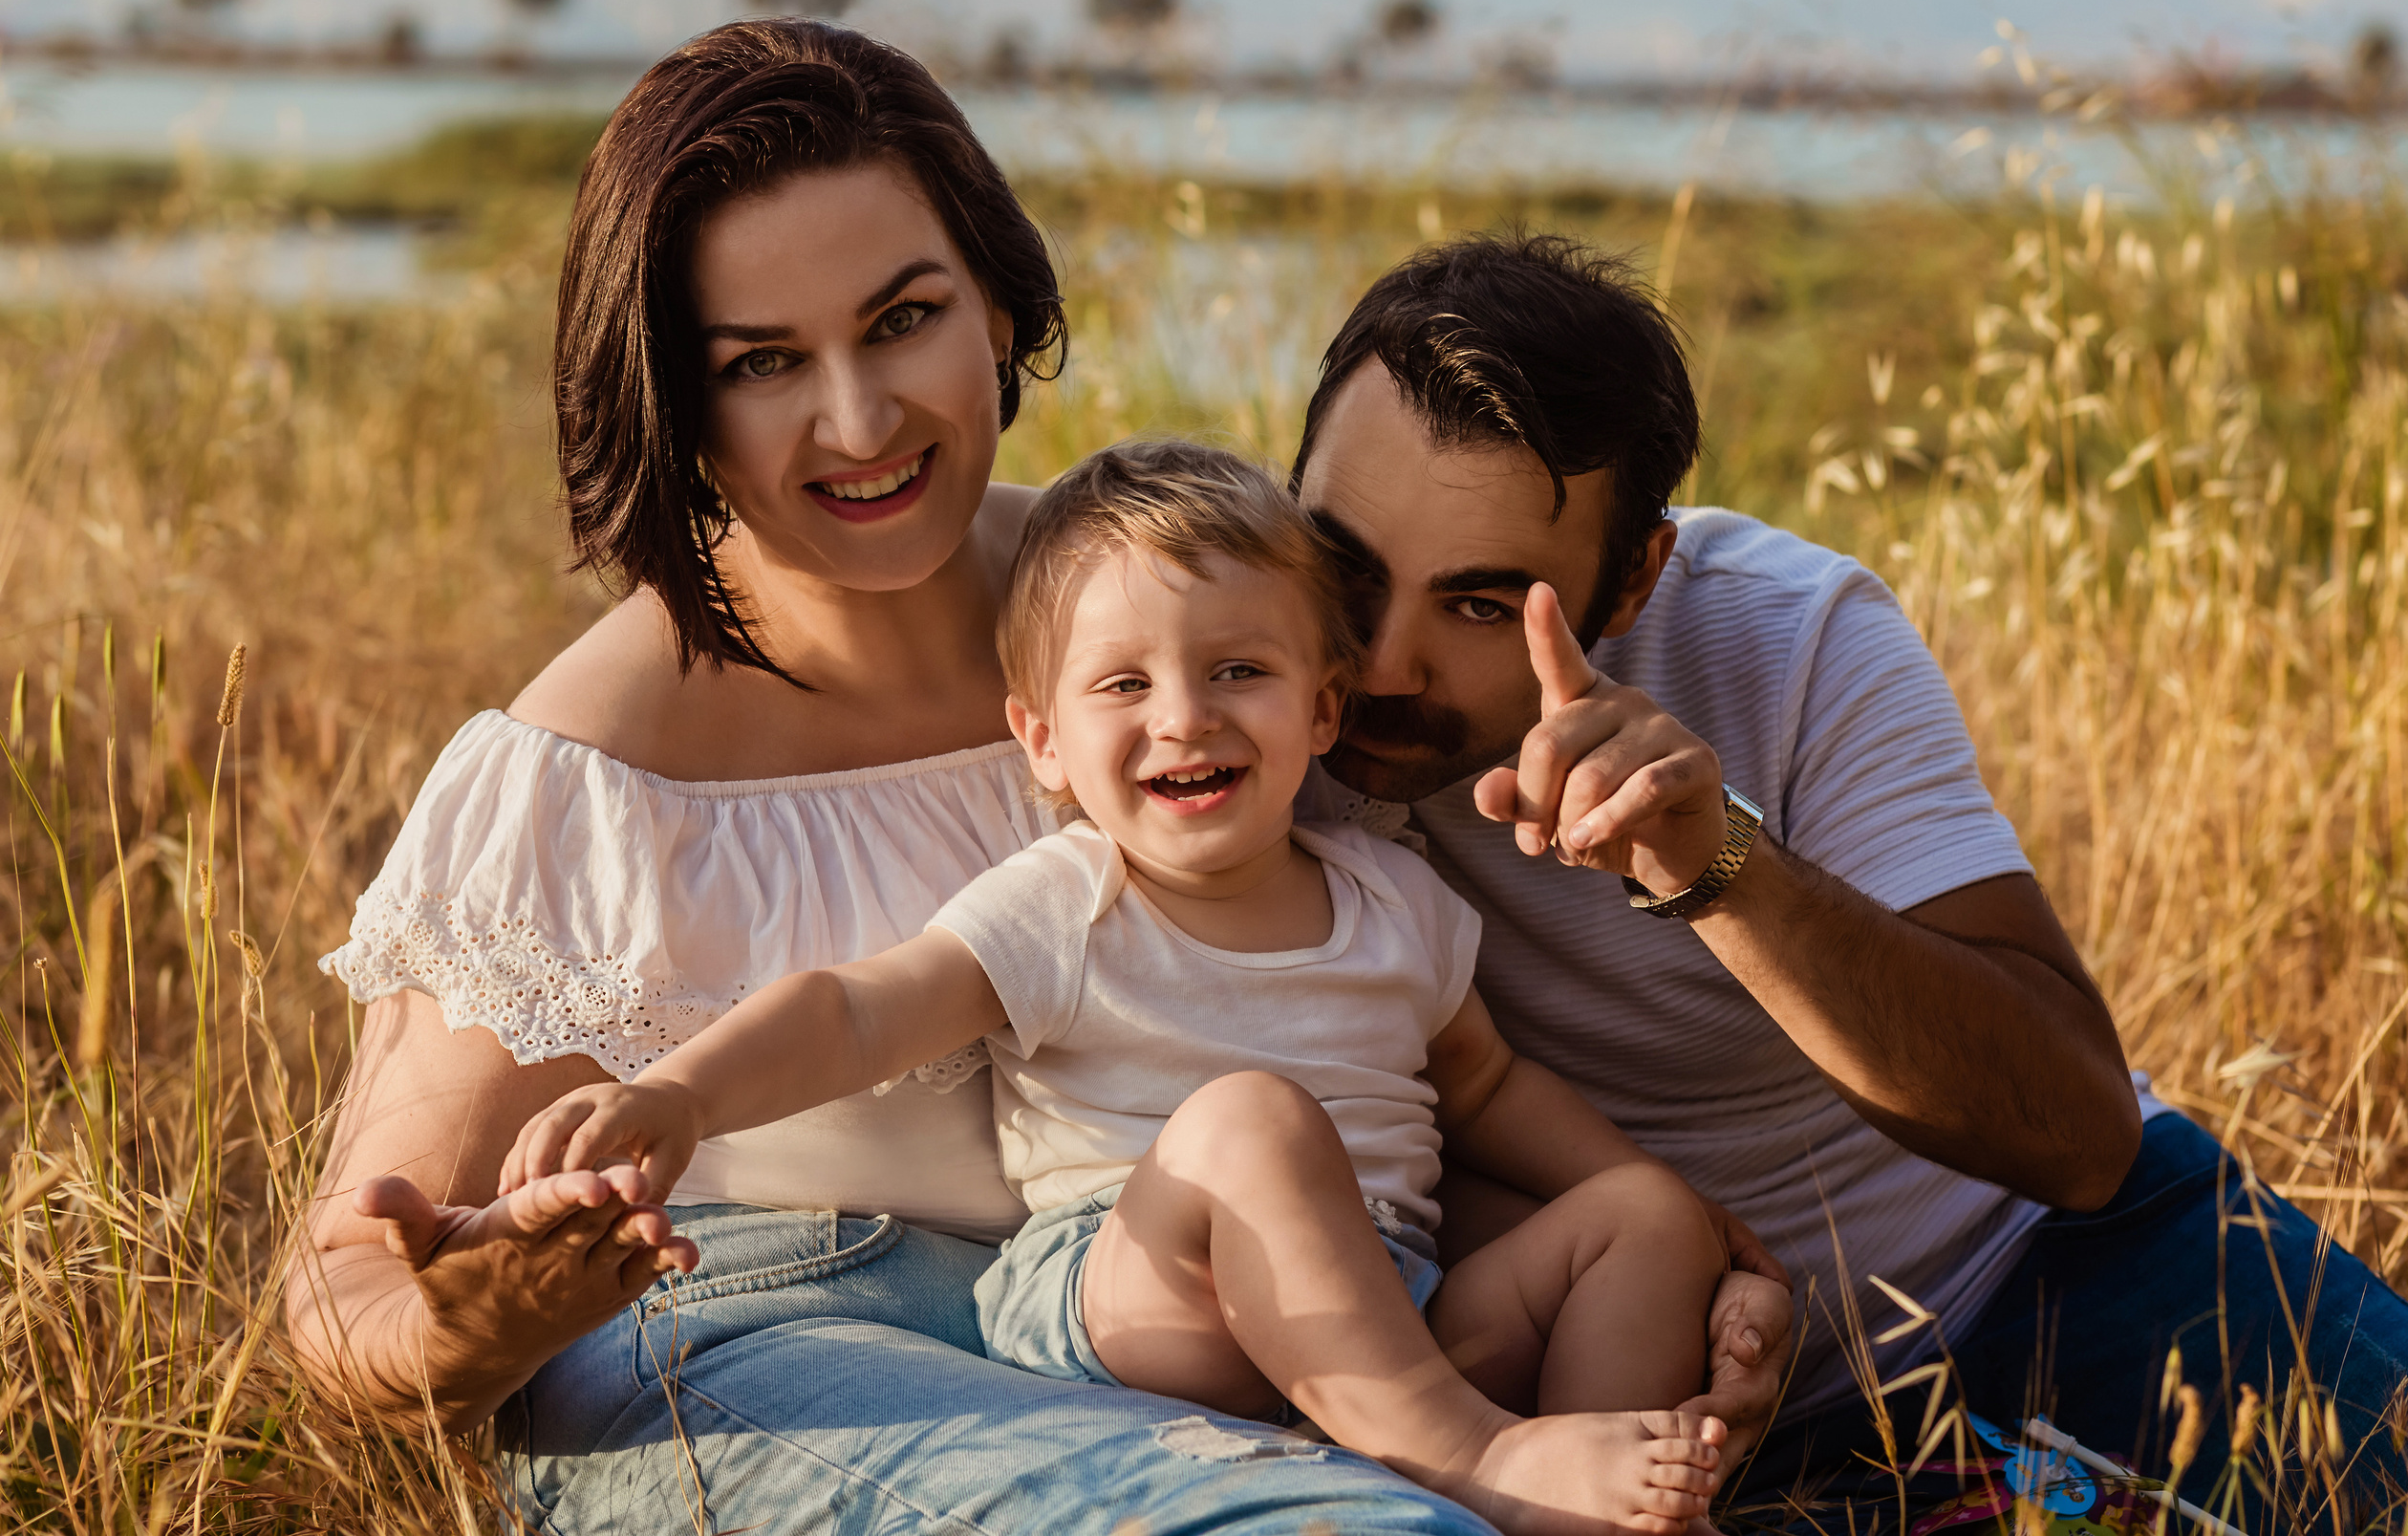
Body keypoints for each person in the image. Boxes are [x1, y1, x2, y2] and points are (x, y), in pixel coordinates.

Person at [286, 20, 1793, 1535]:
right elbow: (340, 1299)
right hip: (768, 1343)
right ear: (678, 405)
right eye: (761, 363)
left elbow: (1365, 1064)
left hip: (1196, 1345)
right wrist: (471, 1321)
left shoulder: (1184, 626)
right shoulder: (583, 776)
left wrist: (1676, 1259)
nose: (863, 421)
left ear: (997, 308)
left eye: (902, 319)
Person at [1286, 231, 2408, 1528]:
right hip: (1677, 1420)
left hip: (2065, 1267)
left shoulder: (1789, 632)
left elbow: (2080, 1134)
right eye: (1348, 567)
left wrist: (1717, 865)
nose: (1378, 663)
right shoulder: (1216, 684)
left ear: (1635, 580)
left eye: (1483, 605)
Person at [504, 440, 1738, 1536]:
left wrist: (1659, 1202)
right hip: (1135, 1297)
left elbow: (1489, 1084)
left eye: (1239, 670)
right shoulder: (1072, 900)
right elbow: (860, 1009)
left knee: (1648, 1220)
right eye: (1124, 686)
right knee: (1252, 1125)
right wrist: (682, 1096)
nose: (1185, 719)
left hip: (1386, 1313)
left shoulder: (1392, 900)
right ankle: (1479, 1458)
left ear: (1324, 708)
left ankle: (1590, 1488)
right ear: (1042, 739)